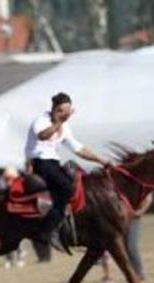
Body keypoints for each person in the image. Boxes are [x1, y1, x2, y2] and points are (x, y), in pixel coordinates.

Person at [25, 92, 109, 246]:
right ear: (54, 109)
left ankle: (77, 229)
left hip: (54, 163)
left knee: (81, 182)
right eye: (61, 111)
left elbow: (78, 149)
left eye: (67, 111)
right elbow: (43, 136)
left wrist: (102, 160)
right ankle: (46, 231)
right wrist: (58, 123)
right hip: (40, 162)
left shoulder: (64, 127)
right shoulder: (41, 120)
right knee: (66, 189)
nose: (65, 114)